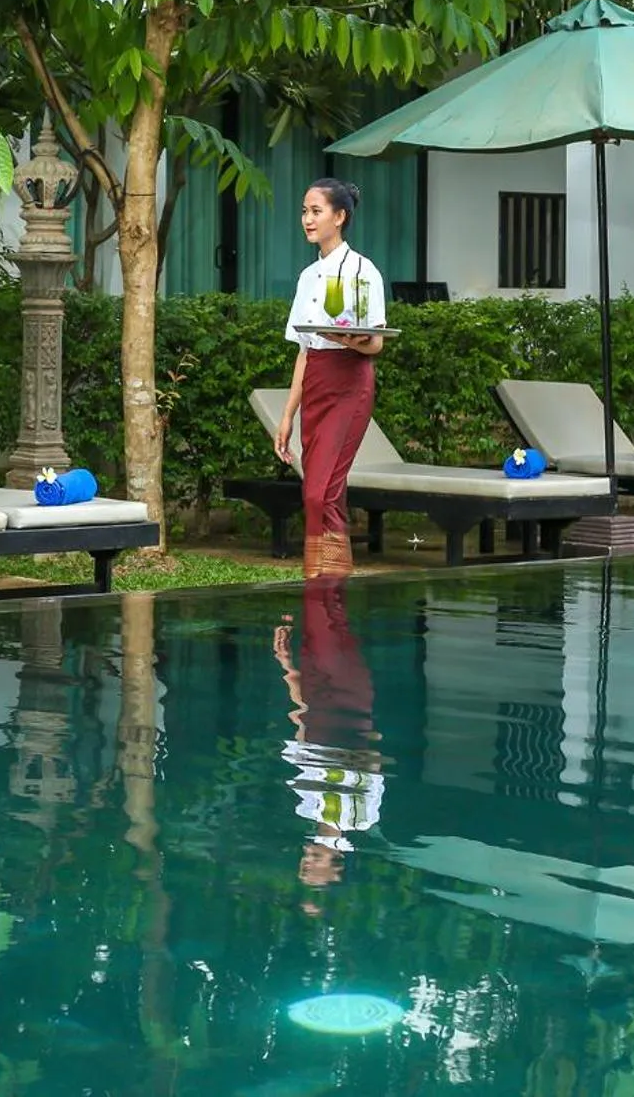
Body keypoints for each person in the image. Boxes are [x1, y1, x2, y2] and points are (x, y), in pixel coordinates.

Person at [273, 178, 387, 574]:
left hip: (350, 384)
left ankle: (323, 582)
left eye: (316, 211)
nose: (307, 219)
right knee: (322, 492)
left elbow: (375, 345)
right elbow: (305, 352)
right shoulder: (307, 277)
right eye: (304, 211)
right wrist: (287, 415)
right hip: (317, 384)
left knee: (320, 492)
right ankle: (328, 594)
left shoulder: (362, 270)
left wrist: (347, 338)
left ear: (339, 217)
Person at [274, 572, 384, 902]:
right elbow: (373, 763)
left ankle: (322, 573)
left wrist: (286, 669)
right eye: (312, 865)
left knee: (319, 631)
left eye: (303, 864)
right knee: (333, 633)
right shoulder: (363, 819)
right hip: (347, 716)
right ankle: (329, 572)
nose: (306, 859)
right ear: (335, 869)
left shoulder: (306, 810)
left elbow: (302, 736)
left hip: (322, 711)